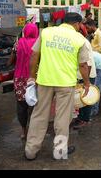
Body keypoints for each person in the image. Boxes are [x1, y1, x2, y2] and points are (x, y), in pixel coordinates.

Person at [25, 13, 91, 160]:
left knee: (39, 115)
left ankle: (30, 151)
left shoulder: (47, 32)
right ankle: (59, 151)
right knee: (62, 118)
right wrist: (86, 83)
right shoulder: (79, 39)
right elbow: (83, 65)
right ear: (77, 24)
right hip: (65, 83)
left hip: (44, 80)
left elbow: (34, 55)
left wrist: (32, 76)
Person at [7, 23, 39, 139]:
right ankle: (33, 130)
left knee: (21, 105)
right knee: (36, 104)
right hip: (35, 78)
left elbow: (10, 62)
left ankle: (23, 131)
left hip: (20, 78)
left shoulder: (18, 43)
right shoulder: (39, 43)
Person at [73, 24, 98, 129]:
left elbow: (89, 63)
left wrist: (86, 81)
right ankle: (81, 118)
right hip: (82, 74)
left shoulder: (84, 43)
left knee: (86, 98)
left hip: (87, 74)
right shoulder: (80, 41)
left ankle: (85, 119)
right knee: (81, 98)